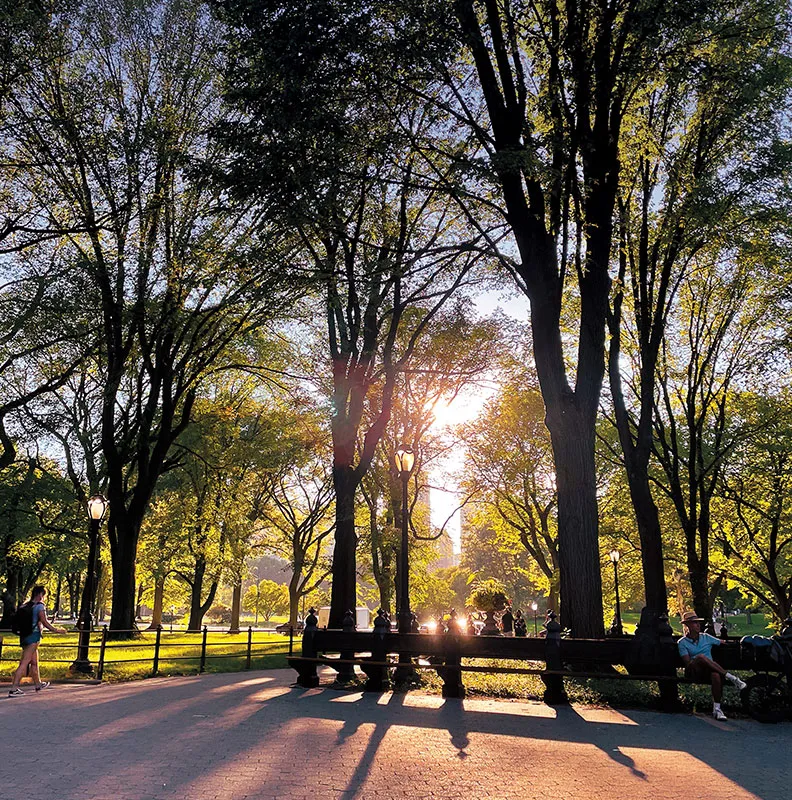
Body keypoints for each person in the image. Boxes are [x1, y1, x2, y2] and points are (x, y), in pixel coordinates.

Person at [677, 610, 746, 720]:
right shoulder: (682, 642)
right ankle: (731, 677)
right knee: (700, 657)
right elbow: (688, 663)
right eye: (695, 623)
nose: (698, 625)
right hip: (694, 670)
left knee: (716, 675)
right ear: (688, 625)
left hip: (708, 670)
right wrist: (699, 660)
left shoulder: (706, 637)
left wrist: (737, 643)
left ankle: (717, 710)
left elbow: (722, 642)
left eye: (698, 622)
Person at [8, 585, 66, 698]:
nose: (43, 597)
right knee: (24, 663)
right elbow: (45, 622)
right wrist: (57, 630)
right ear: (40, 594)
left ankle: (38, 684)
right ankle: (13, 689)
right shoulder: (39, 606)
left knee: (34, 662)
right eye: (43, 595)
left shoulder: (25, 605)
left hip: (24, 636)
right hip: (33, 637)